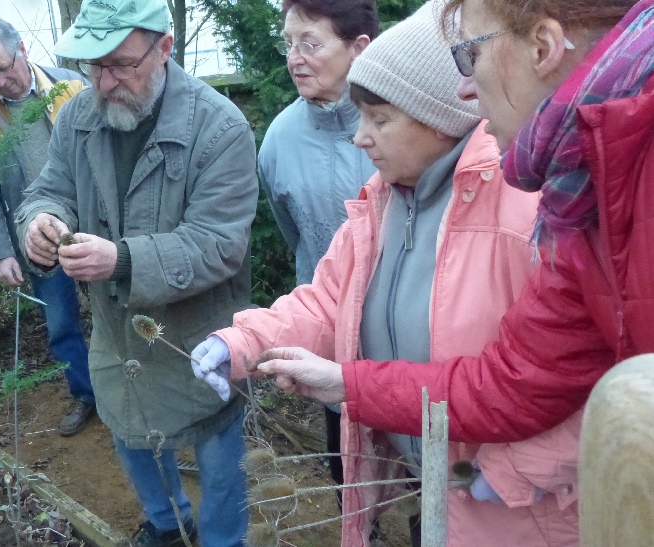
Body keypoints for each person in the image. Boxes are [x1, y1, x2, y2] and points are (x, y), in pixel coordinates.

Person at [192, 2, 582, 545]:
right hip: (431, 477)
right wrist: (241, 341)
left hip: (522, 511)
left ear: (438, 117)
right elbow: (328, 300)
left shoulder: (527, 210)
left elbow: (588, 373)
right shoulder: (382, 202)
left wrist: (513, 473)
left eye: (380, 119)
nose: (360, 138)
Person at [244, 0, 652, 479]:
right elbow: (519, 379)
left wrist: (513, 476)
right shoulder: (581, 199)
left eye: (470, 57)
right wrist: (344, 382)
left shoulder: (549, 205)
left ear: (542, 46)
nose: (464, 91)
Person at [15, 0, 259, 544]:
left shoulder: (220, 127)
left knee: (219, 460)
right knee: (129, 429)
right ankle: (168, 522)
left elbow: (221, 245)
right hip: (116, 332)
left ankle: (222, 539)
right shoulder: (78, 116)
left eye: (121, 64)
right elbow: (50, 187)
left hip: (201, 340)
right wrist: (42, 220)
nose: (104, 82)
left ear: (165, 48)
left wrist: (122, 259)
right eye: (92, 67)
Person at [258, 0, 377, 508]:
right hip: (331, 334)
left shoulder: (411, 125)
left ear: (358, 47)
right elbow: (297, 235)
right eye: (289, 43)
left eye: (311, 42)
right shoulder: (278, 141)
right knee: (345, 460)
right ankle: (361, 528)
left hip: (408, 333)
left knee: (418, 461)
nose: (295, 57)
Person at [0, 16, 97, 437]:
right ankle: (88, 396)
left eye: (3, 67)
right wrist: (0, 252)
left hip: (95, 226)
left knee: (120, 310)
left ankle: (137, 390)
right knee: (60, 326)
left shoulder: (72, 87)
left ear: (22, 49)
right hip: (35, 239)